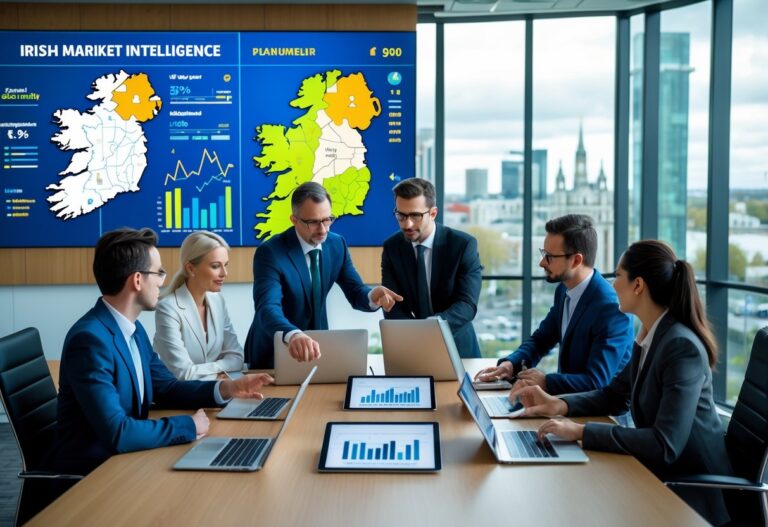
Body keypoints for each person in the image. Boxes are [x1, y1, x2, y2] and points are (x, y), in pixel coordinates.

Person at [510, 240, 733, 526]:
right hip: (660, 476)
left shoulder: (680, 347)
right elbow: (615, 396)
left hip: (694, 494)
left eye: (618, 276)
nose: (612, 284)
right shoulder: (652, 333)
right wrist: (559, 404)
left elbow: (665, 444)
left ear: (638, 285)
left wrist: (580, 431)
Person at [51, 227, 273, 476]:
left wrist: (228, 389)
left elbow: (167, 387)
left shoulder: (132, 330)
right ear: (137, 280)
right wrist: (188, 424)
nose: (163, 280)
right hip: (94, 475)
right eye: (158, 272)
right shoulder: (90, 340)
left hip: (127, 460)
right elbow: (118, 432)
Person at [244, 182, 403, 369]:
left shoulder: (336, 245)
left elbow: (355, 291)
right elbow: (267, 308)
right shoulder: (270, 252)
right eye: (313, 222)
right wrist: (293, 334)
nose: (323, 229)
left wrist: (372, 296)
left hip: (317, 349)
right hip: (274, 352)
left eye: (328, 219)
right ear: (294, 219)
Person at [475, 214, 633, 395]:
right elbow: (541, 340)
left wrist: (545, 381)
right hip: (565, 406)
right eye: (544, 254)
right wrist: (511, 364)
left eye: (549, 257)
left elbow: (596, 381)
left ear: (576, 260)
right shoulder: (564, 291)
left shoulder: (610, 308)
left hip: (601, 416)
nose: (542, 262)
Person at [381, 177, 482, 357]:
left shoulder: (462, 245)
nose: (407, 224)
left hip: (458, 349)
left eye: (415, 216)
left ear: (433, 213)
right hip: (412, 349)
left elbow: (467, 305)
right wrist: (417, 337)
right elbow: (392, 303)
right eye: (401, 215)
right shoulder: (392, 247)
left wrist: (429, 328)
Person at [154, 231, 244, 380]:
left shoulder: (217, 301)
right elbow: (182, 374)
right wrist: (217, 373)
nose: (224, 273)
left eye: (225, 265)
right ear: (190, 268)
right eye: (215, 266)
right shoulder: (168, 309)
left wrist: (205, 370)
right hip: (177, 399)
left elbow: (237, 357)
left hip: (213, 394)